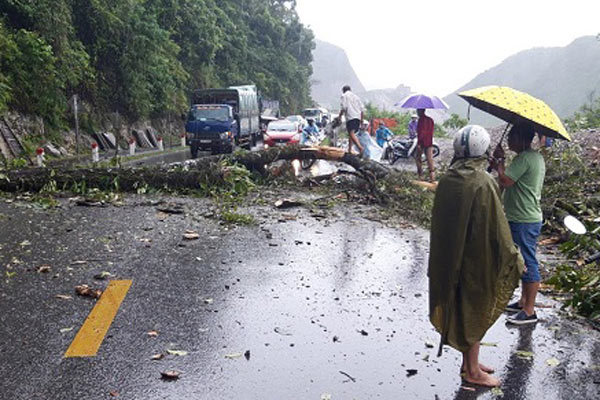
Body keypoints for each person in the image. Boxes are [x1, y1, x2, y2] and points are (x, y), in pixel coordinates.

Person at [429, 125, 524, 388]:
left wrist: (495, 169)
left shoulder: (449, 178)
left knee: (462, 305)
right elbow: (496, 225)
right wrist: (514, 257)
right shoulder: (482, 182)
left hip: (449, 257)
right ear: (482, 150)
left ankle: (469, 362)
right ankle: (472, 371)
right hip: (474, 258)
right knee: (475, 306)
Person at [491, 122, 546, 325]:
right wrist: (500, 162)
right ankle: (523, 302)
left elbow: (505, 181)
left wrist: (499, 163)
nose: (509, 140)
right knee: (523, 261)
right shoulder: (534, 157)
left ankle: (529, 311)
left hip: (524, 219)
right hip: (525, 217)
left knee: (528, 262)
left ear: (522, 138)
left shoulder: (524, 158)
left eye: (512, 137)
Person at [338, 85, 365, 154]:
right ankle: (349, 149)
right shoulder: (356, 97)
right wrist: (361, 121)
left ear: (343, 90)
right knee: (351, 133)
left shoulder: (344, 96)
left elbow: (343, 107)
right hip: (358, 117)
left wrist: (339, 116)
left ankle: (360, 147)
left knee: (351, 133)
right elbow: (362, 109)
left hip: (351, 117)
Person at [415, 108, 436, 182]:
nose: (417, 112)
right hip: (429, 142)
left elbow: (421, 132)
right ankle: (432, 178)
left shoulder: (421, 120)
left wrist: (419, 143)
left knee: (418, 158)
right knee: (430, 160)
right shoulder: (430, 120)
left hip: (422, 143)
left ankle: (420, 176)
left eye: (417, 111)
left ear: (420, 111)